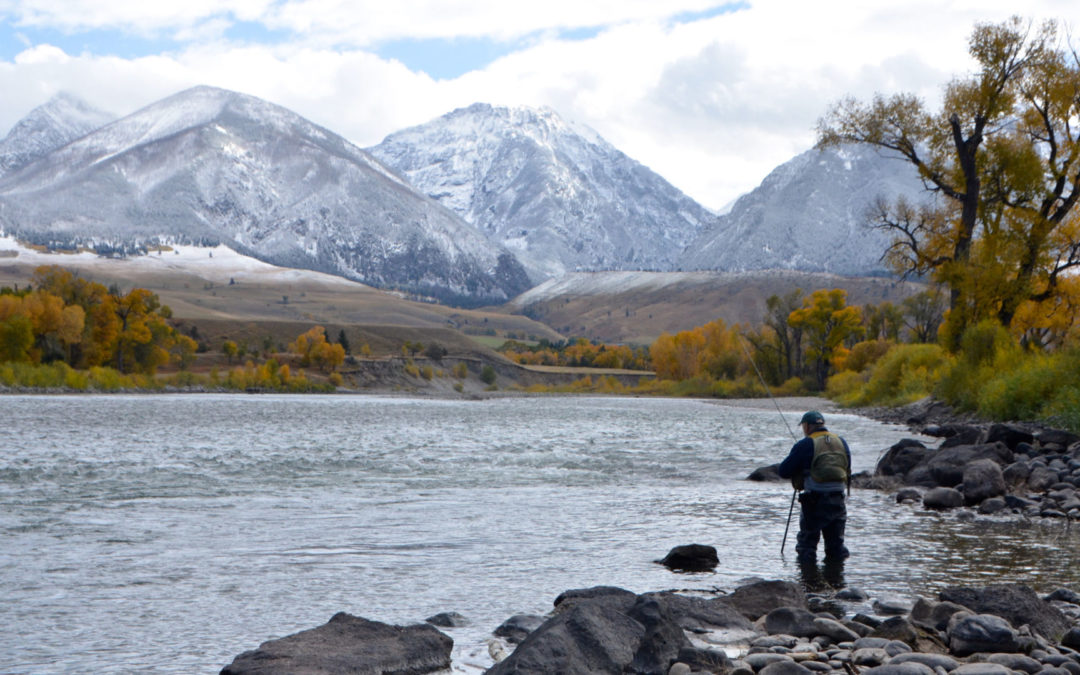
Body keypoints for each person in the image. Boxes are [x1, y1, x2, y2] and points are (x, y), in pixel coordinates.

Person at [777, 411, 852, 563]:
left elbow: (783, 471)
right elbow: (848, 467)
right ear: (822, 424)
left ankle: (808, 582)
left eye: (803, 426)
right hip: (838, 499)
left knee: (807, 546)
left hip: (814, 501)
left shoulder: (805, 444)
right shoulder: (841, 442)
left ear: (807, 426)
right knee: (836, 547)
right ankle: (837, 582)